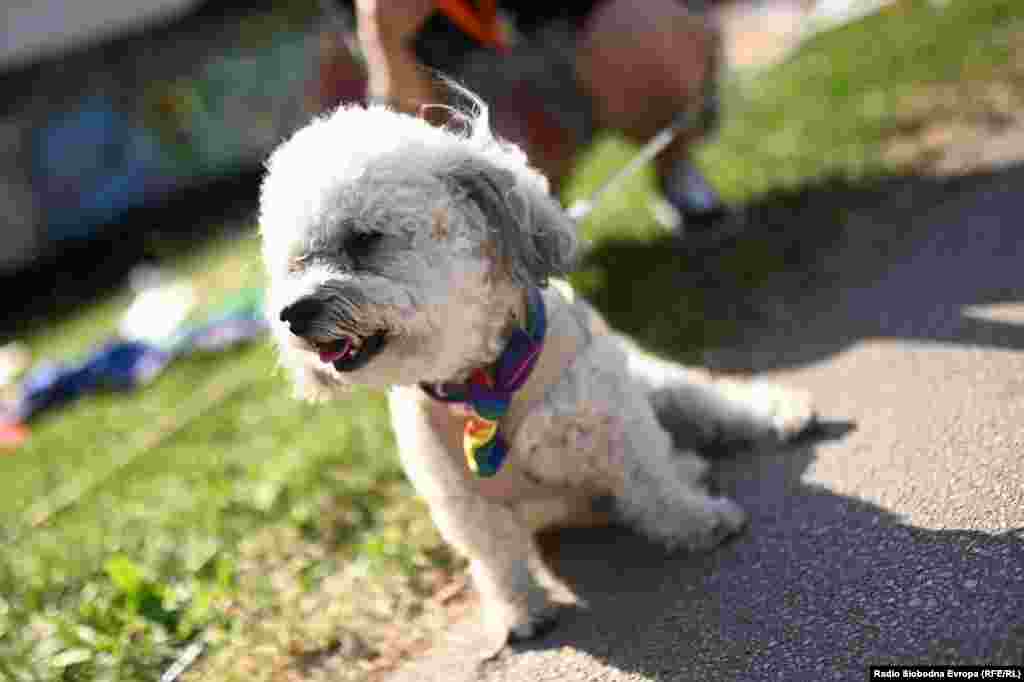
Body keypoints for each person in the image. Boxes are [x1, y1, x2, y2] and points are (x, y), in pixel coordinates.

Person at [351, 0, 729, 235]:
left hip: (581, 28)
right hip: (484, 83)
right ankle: (533, 226)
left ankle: (674, 166)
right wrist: (388, 49)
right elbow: (403, 119)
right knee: (504, 169)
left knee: (652, 44)